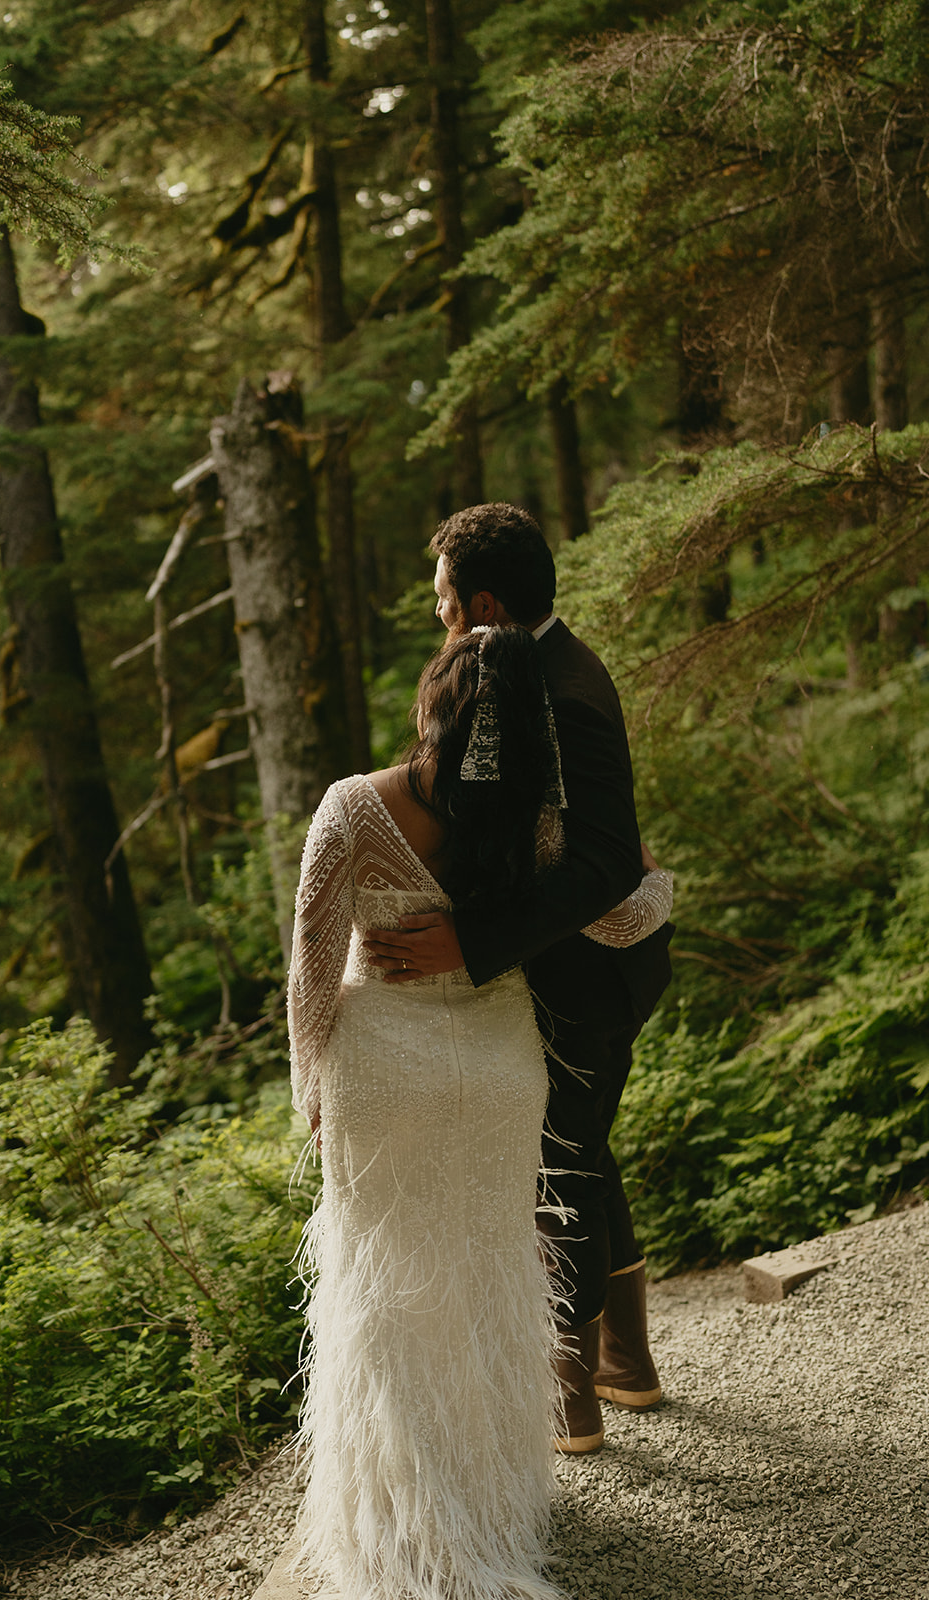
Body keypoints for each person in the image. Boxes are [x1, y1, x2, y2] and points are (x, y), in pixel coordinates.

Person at [287, 624, 673, 1600]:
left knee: (383, 1287)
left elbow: (309, 973)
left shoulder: (349, 808)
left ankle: (399, 1510)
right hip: (498, 1072)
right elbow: (628, 912)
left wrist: (310, 1095)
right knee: (488, 1274)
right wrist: (648, 865)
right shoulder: (535, 826)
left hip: (383, 1072)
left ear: (431, 705)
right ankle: (492, 1497)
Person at [364, 504, 674, 1455]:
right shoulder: (526, 669)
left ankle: (568, 1410)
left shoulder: (564, 689)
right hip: (583, 966)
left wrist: (469, 942)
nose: (436, 620)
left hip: (594, 972)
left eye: (441, 602)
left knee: (562, 1170)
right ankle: (626, 1369)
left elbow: (604, 868)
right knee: (585, 1153)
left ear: (482, 604)